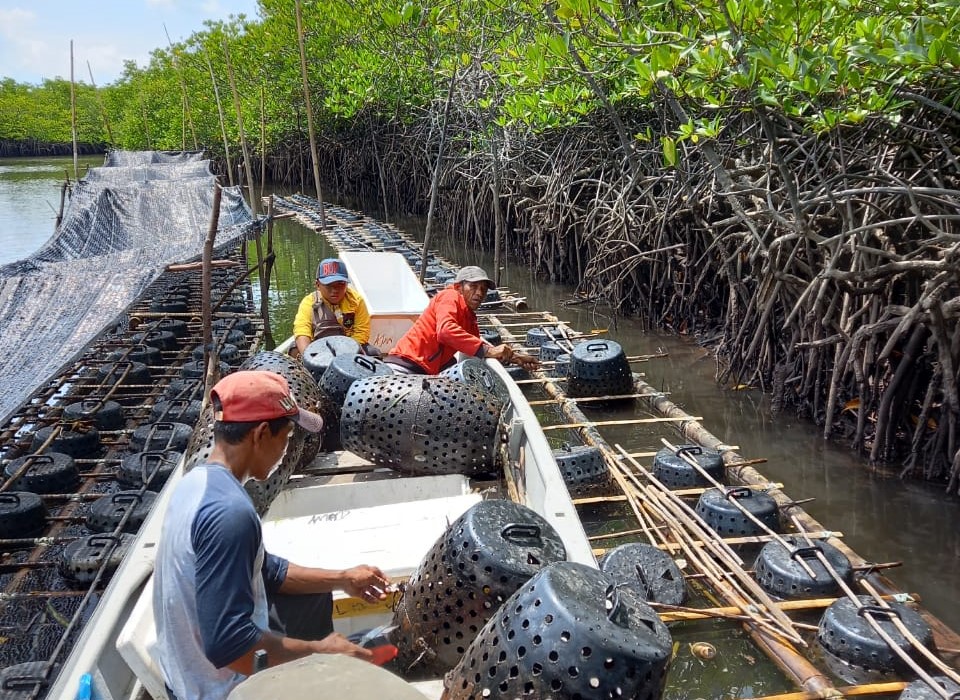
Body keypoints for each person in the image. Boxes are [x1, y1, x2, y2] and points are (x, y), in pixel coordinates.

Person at [153, 370, 390, 700]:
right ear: (261, 434)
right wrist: (321, 653)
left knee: (314, 599)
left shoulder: (197, 483)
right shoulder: (230, 514)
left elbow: (267, 569)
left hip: (185, 673)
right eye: (288, 436)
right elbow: (230, 645)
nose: (287, 448)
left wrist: (343, 578)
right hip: (221, 690)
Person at [385, 265, 539, 375]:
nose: (479, 293)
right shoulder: (449, 296)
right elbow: (445, 331)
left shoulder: (469, 317)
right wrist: (490, 349)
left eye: (483, 289)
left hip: (425, 371)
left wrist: (516, 358)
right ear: (459, 287)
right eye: (473, 286)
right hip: (406, 367)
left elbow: (475, 347)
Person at [292, 258, 379, 356]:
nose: (335, 290)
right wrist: (309, 357)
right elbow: (302, 330)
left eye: (340, 284)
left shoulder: (357, 301)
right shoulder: (309, 302)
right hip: (317, 346)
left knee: (374, 353)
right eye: (329, 285)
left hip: (348, 347)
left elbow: (362, 332)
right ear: (318, 285)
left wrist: (344, 353)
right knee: (294, 349)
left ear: (346, 284)